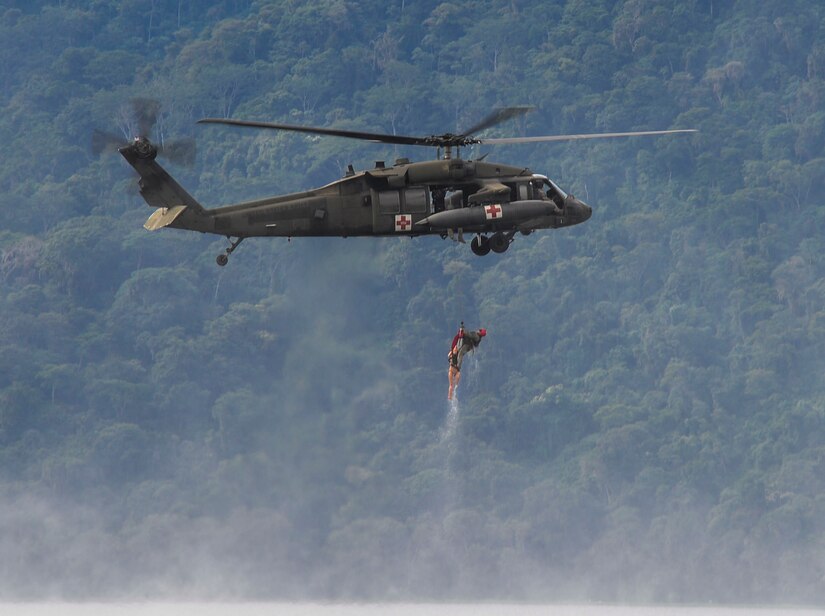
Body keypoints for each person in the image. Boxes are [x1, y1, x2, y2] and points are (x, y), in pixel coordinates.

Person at [448, 326, 486, 400]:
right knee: (459, 352)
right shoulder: (478, 337)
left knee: (460, 353)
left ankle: (458, 366)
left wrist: (463, 330)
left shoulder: (476, 335)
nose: (478, 329)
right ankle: (451, 394)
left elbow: (469, 334)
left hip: (467, 346)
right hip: (466, 345)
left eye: (479, 330)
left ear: (480, 332)